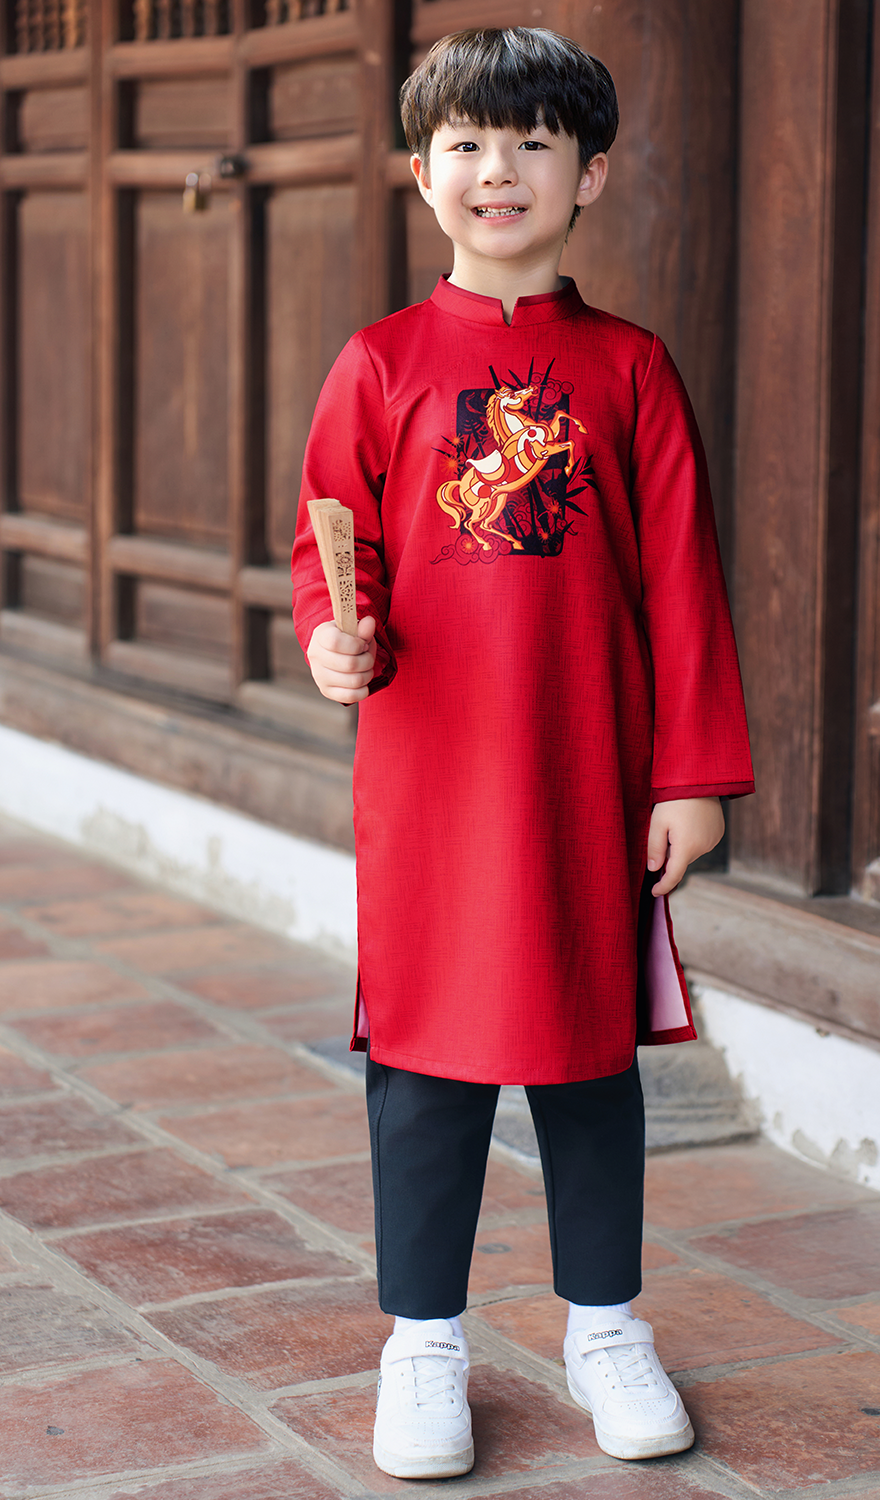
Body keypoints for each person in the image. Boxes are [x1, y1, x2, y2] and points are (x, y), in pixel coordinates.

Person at [291, 26, 754, 1481]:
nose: (500, 171)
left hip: (582, 771)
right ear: (420, 171)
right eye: (469, 144)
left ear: (589, 174)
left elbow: (682, 584)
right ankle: (422, 1341)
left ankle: (603, 1324)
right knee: (425, 1065)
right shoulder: (379, 364)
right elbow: (327, 552)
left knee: (584, 1061)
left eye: (535, 144)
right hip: (430, 777)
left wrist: (692, 775)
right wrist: (333, 637)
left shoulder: (631, 370)